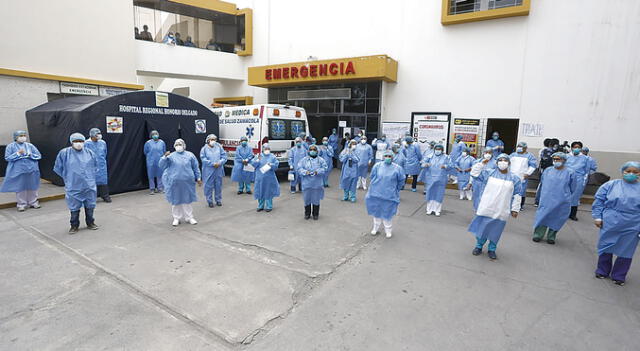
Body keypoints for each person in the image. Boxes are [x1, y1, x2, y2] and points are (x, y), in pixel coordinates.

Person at [592, 161, 640, 286]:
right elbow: (599, 201)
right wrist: (598, 217)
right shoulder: (611, 185)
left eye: (635, 172)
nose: (631, 174)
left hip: (633, 223)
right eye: (628, 171)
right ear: (622, 171)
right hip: (610, 220)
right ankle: (602, 270)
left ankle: (619, 275)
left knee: (626, 250)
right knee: (606, 245)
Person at [469, 154, 521, 260]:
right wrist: (481, 164)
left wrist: (515, 209)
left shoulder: (514, 178)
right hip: (487, 206)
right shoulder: (489, 173)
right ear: (496, 163)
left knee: (496, 230)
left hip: (502, 209)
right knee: (483, 227)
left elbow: (517, 194)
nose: (503, 162)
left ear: (509, 163)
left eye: (505, 160)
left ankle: (492, 249)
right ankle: (479, 246)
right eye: (500, 160)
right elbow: (474, 174)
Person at [53, 133, 99, 234]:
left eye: (81, 141)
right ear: (71, 142)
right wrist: (68, 178)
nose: (79, 143)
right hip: (73, 185)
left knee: (90, 205)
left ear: (84, 142)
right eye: (76, 141)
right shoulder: (64, 153)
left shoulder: (90, 153)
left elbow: (96, 167)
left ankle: (90, 222)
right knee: (74, 208)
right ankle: (74, 226)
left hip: (89, 185)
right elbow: (58, 168)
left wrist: (89, 178)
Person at [532, 152, 577, 244]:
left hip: (562, 199)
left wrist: (565, 195)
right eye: (554, 159)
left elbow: (573, 187)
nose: (556, 161)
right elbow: (543, 183)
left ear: (564, 160)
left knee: (557, 217)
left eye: (558, 159)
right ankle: (538, 234)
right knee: (543, 215)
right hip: (546, 198)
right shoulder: (548, 170)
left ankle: (551, 236)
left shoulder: (570, 172)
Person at [159, 139, 202, 226]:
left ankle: (189, 217)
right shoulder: (170, 156)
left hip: (187, 182)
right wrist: (164, 157)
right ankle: (176, 218)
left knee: (187, 200)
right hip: (175, 182)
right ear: (174, 146)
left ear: (184, 145)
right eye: (177, 144)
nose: (178, 146)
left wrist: (198, 178)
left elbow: (195, 167)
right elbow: (161, 166)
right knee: (176, 201)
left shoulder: (190, 155)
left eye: (180, 144)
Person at [366, 150, 406, 239]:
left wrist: (396, 189)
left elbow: (401, 181)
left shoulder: (397, 168)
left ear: (392, 157)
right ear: (383, 157)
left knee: (387, 213)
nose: (387, 158)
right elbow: (372, 177)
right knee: (376, 212)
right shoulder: (377, 166)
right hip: (376, 193)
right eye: (386, 156)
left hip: (389, 195)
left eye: (389, 156)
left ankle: (388, 230)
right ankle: (375, 228)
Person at [1, 130, 42, 211]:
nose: (23, 137)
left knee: (32, 186)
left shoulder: (30, 146)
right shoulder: (11, 146)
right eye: (21, 136)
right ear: (16, 137)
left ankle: (33, 202)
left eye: (24, 135)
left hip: (31, 170)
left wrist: (31, 155)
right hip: (18, 170)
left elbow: (38, 155)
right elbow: (7, 158)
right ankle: (21, 204)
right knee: (20, 187)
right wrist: (18, 154)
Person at [297, 145, 328, 220]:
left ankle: (315, 214)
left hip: (317, 184)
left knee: (316, 199)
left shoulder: (321, 160)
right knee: (307, 199)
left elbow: (325, 168)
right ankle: (307, 213)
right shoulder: (304, 160)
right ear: (308, 151)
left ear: (317, 151)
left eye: (314, 149)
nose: (312, 151)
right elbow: (299, 168)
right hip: (306, 183)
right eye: (311, 149)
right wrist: (305, 172)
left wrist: (318, 171)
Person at [421, 144, 451, 216]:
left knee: (439, 194)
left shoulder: (446, 157)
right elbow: (422, 163)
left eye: (439, 149)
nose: (437, 151)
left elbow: (451, 165)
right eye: (436, 149)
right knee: (430, 193)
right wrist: (425, 164)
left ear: (442, 150)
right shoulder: (430, 156)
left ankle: (437, 210)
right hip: (430, 178)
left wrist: (445, 166)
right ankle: (429, 209)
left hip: (441, 178)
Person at [565, 141, 590, 221]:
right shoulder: (566, 156)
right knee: (565, 195)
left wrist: (583, 180)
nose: (577, 149)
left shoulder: (585, 158)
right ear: (571, 148)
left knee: (575, 197)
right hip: (567, 177)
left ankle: (572, 214)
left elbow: (587, 170)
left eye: (578, 147)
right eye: (575, 147)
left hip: (579, 179)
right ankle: (562, 213)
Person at [200, 134, 227, 208]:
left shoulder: (218, 146)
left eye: (214, 139)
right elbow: (203, 159)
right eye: (212, 139)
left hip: (218, 169)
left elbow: (224, 156)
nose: (213, 141)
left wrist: (220, 162)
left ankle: (218, 200)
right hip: (208, 170)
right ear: (208, 140)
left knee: (218, 185)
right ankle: (210, 201)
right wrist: (212, 164)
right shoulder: (204, 149)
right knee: (208, 186)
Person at [251, 144, 280, 212]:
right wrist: (257, 160)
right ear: (263, 149)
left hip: (269, 178)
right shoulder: (259, 156)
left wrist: (271, 165)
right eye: (265, 149)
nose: (267, 150)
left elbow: (276, 166)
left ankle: (269, 206)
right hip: (260, 177)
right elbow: (253, 164)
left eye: (268, 149)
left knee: (268, 191)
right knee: (260, 190)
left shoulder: (272, 157)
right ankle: (260, 205)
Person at [85, 128, 111, 203]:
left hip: (101, 165)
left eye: (99, 133)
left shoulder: (103, 143)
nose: (99, 135)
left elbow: (105, 152)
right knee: (91, 182)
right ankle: (91, 198)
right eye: (97, 134)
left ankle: (105, 196)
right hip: (91, 166)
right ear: (92, 135)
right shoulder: (87, 143)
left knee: (103, 181)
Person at [509, 142, 537, 210]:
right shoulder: (513, 155)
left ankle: (520, 205)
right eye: (518, 146)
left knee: (521, 191)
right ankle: (510, 204)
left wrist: (528, 173)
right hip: (512, 175)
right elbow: (508, 163)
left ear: (525, 148)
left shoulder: (529, 156)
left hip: (522, 176)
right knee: (510, 190)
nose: (519, 148)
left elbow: (533, 166)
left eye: (521, 147)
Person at [144, 130, 166, 195]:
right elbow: (145, 152)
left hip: (160, 161)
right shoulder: (148, 143)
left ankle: (160, 188)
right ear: (151, 135)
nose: (155, 135)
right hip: (150, 162)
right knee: (151, 175)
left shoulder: (162, 142)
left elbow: (164, 151)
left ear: (158, 135)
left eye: (156, 134)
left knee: (160, 174)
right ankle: (152, 189)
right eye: (153, 134)